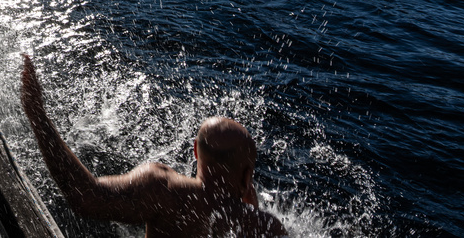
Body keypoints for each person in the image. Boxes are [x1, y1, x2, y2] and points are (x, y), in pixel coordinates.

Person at [19, 55, 287, 238]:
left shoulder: (165, 191)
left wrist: (38, 117)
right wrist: (255, 212)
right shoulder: (264, 228)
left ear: (195, 152)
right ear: (247, 174)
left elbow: (85, 197)